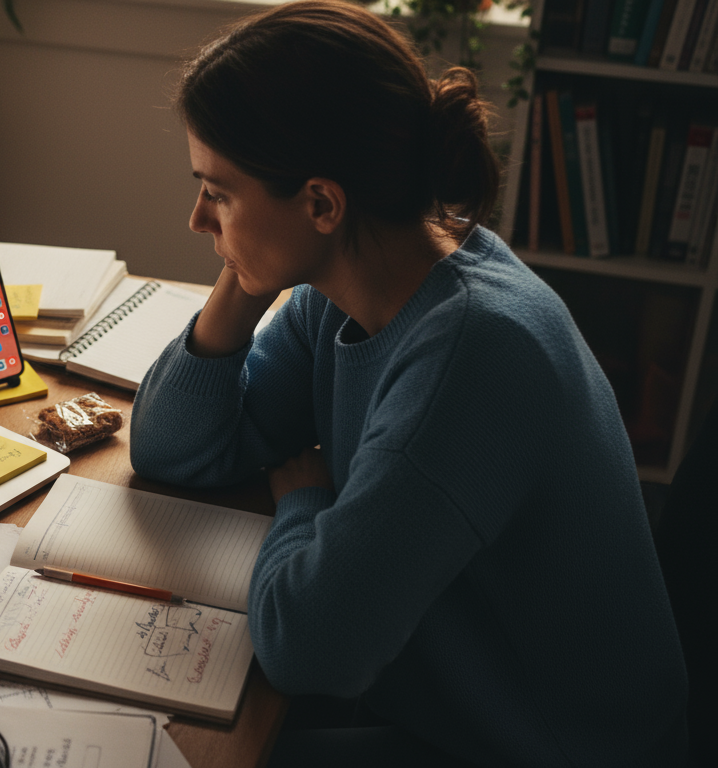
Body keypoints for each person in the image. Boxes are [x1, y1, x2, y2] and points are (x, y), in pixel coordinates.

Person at [128, 2, 688, 765]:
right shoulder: (355, 285)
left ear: (322, 203)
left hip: (546, 747)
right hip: (437, 699)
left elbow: (310, 650)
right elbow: (170, 447)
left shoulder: (475, 354)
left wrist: (302, 503)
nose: (197, 218)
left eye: (218, 193)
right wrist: (244, 270)